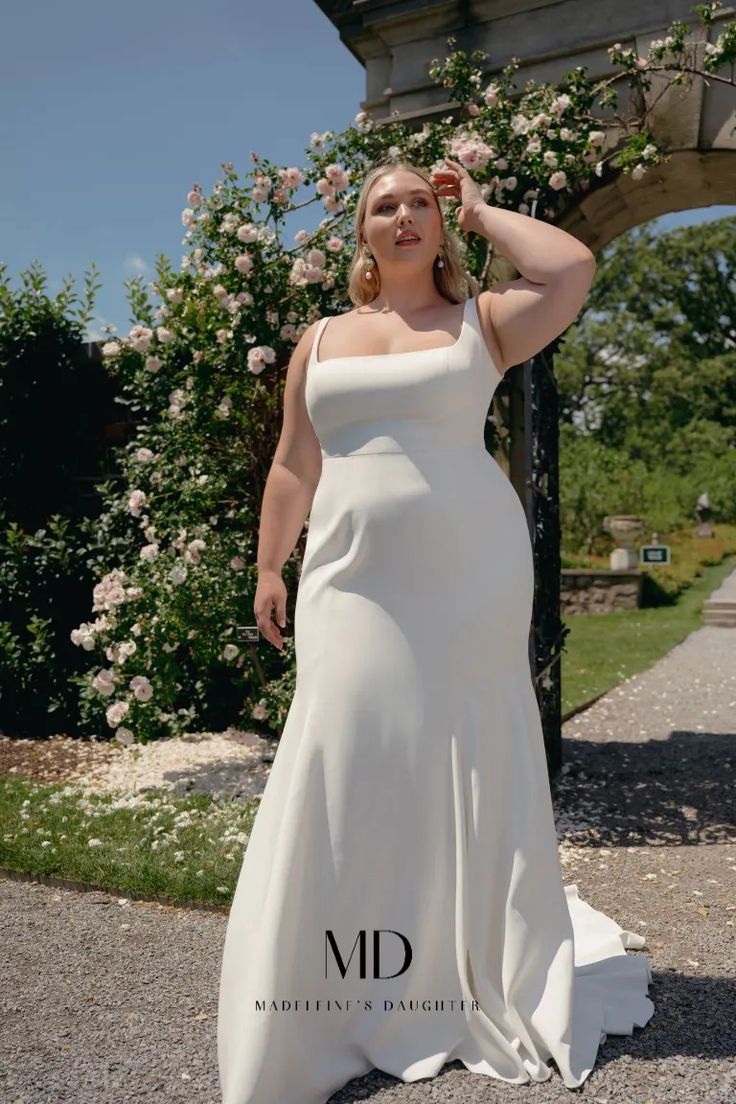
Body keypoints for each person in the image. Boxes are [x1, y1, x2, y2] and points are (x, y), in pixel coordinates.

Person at [217, 156, 654, 1104]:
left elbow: (572, 268)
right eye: (387, 205)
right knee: (347, 747)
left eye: (423, 201)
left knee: (464, 752)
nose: (407, 215)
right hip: (349, 580)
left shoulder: (484, 322)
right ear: (363, 232)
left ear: (441, 222)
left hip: (468, 579)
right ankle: (342, 988)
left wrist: (487, 211)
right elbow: (295, 464)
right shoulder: (321, 339)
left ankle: (460, 969)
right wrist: (267, 564)